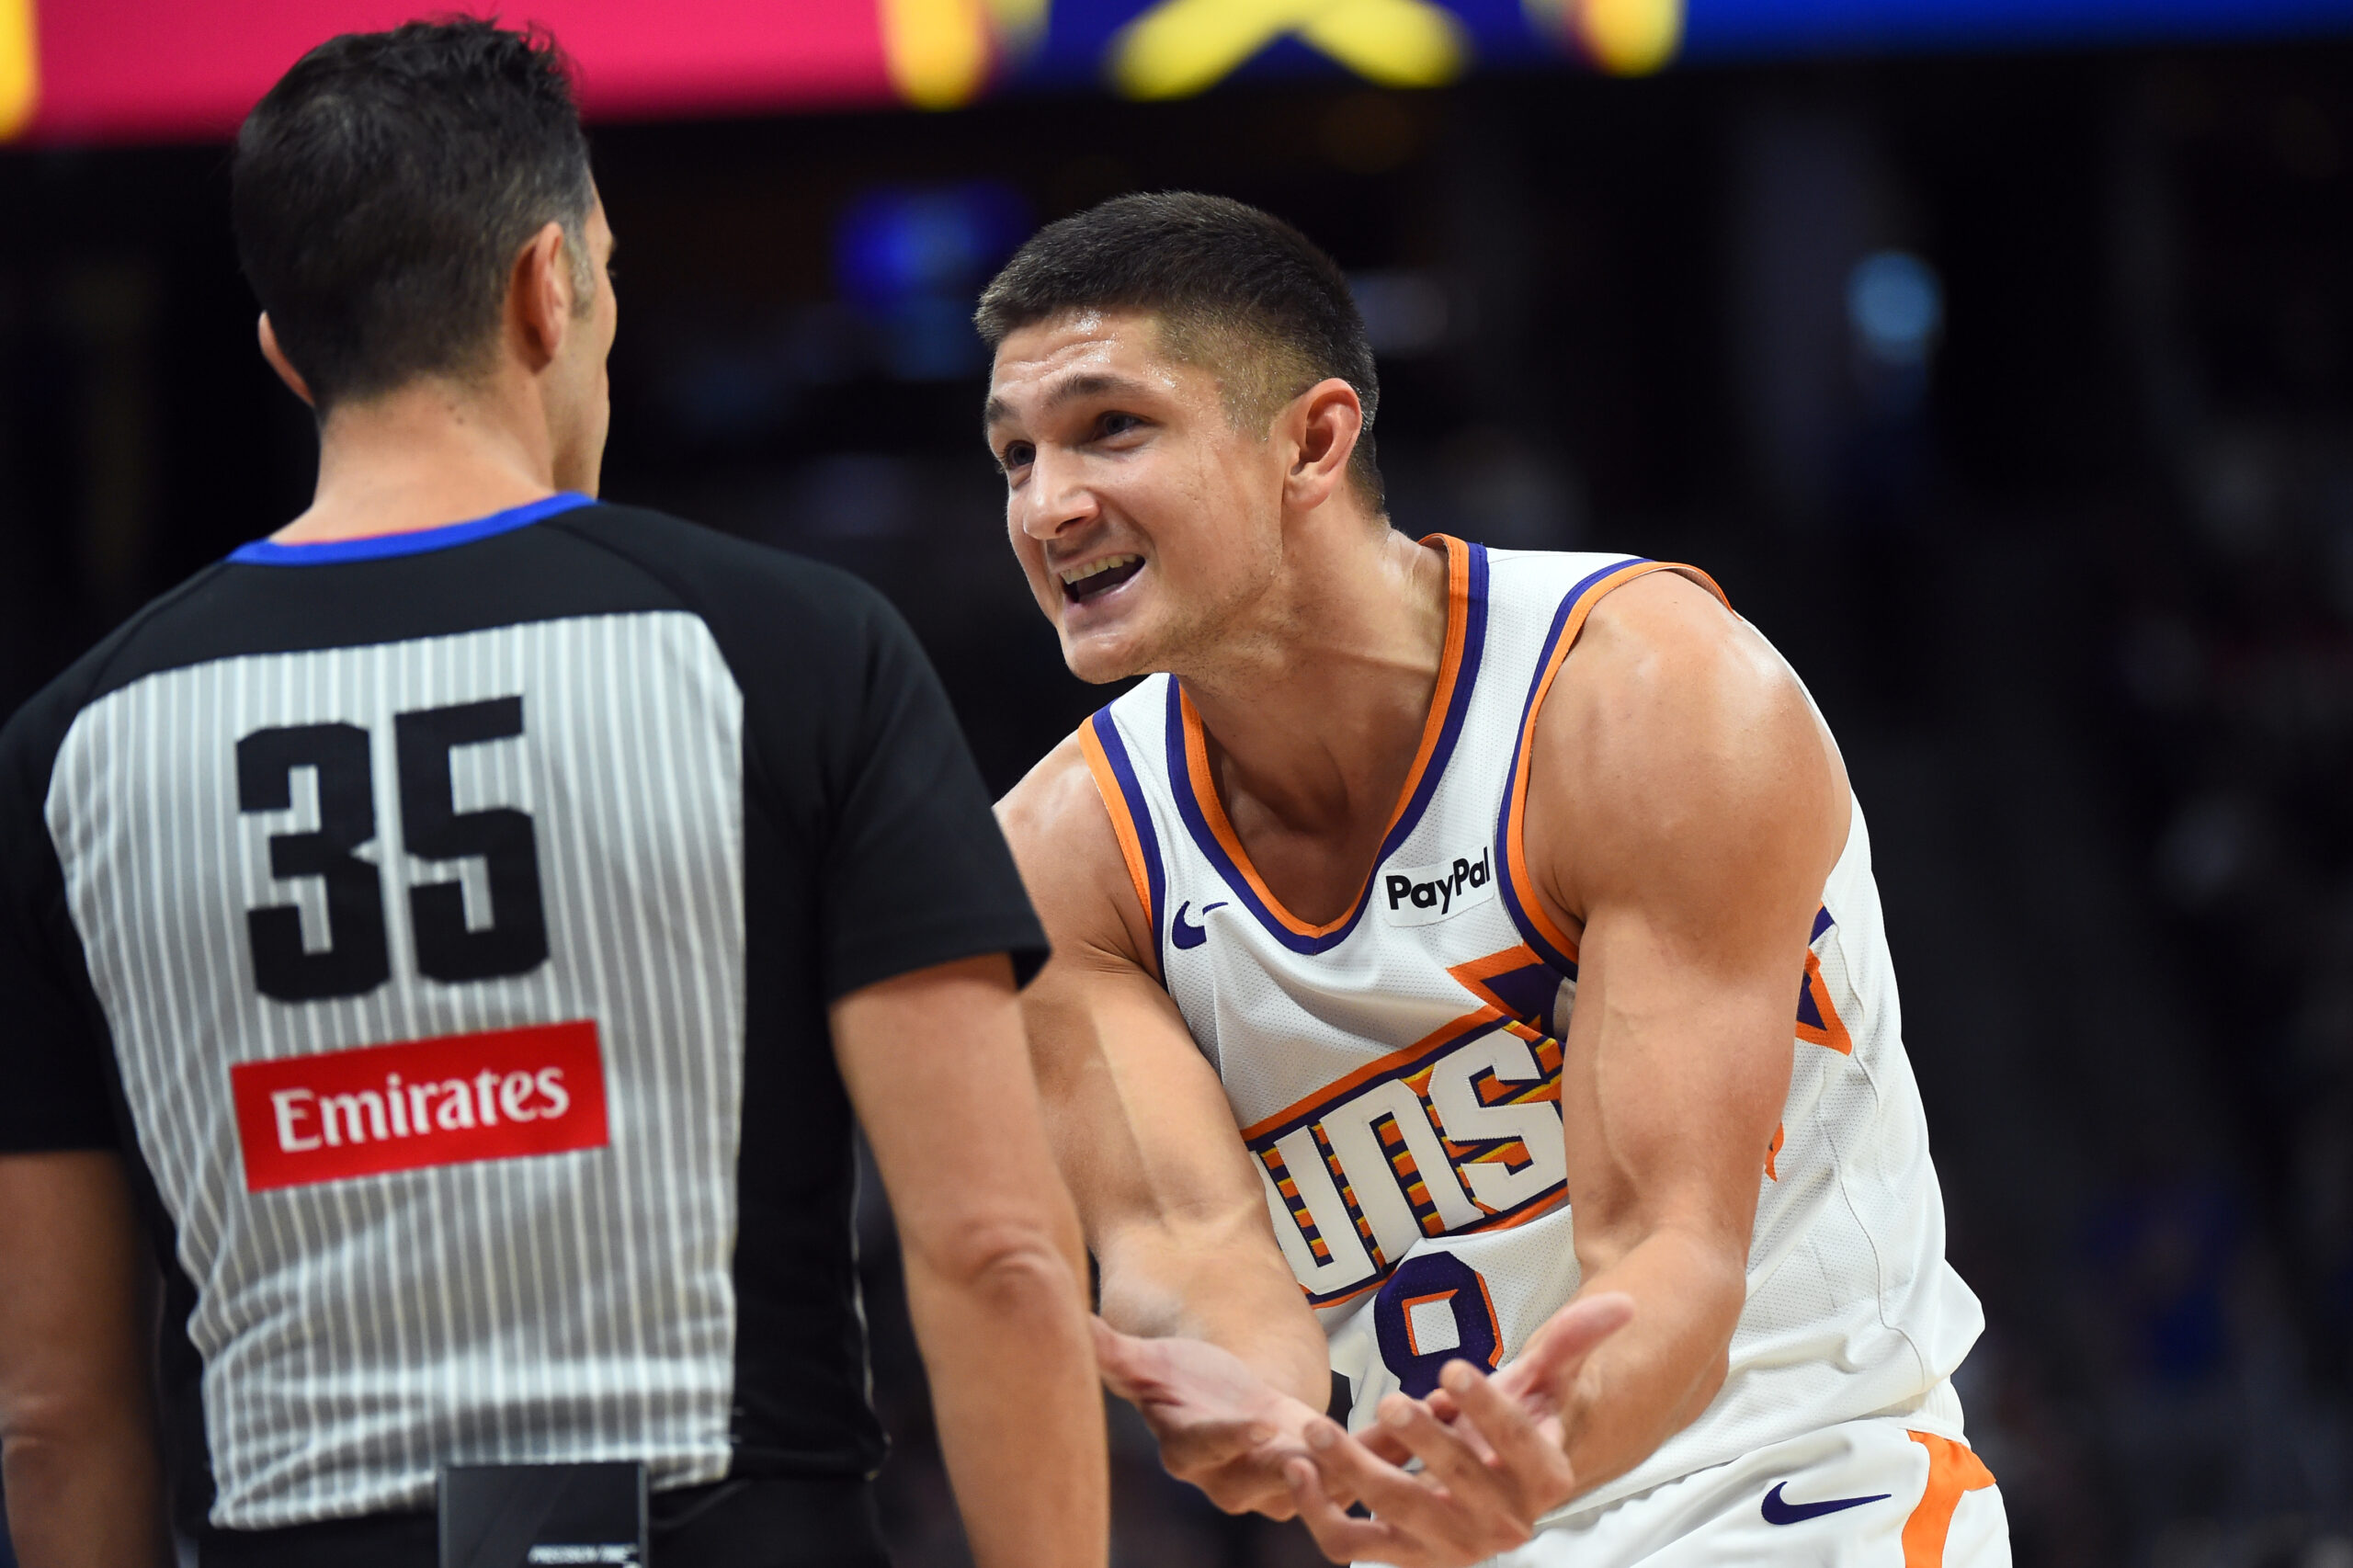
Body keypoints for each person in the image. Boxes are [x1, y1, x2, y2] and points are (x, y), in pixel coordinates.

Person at [0, 22, 1105, 1568]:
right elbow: (993, 1252)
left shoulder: (71, 749)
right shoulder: (793, 651)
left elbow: (54, 1409)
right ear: (547, 287)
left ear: (286, 351)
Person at [983, 192, 2008, 1568]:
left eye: (1111, 428)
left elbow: (1671, 1257)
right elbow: (1191, 1248)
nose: (1049, 505)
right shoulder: (1059, 859)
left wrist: (1536, 1454)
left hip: (1791, 1497)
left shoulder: (1647, 700)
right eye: (1013, 456)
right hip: (1435, 1533)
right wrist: (1266, 1414)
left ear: (1314, 438)